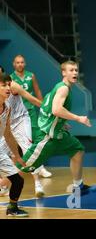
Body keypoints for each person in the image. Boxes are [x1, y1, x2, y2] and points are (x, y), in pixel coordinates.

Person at [15, 61, 96, 196]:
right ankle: (3, 186)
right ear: (63, 73)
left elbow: (45, 107)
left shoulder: (60, 87)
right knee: (23, 167)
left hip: (58, 133)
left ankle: (78, 187)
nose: (75, 73)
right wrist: (78, 118)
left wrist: (61, 122)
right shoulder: (63, 88)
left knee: (78, 150)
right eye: (71, 70)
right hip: (47, 137)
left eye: (76, 70)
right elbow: (56, 109)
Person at [0, 66, 45, 197]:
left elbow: (31, 98)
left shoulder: (13, 86)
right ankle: (4, 185)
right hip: (6, 123)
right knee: (4, 153)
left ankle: (37, 183)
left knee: (27, 149)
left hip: (20, 120)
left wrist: (49, 111)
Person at [10, 55, 52, 178]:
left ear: (25, 63)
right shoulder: (11, 79)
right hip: (16, 115)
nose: (20, 64)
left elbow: (37, 91)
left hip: (30, 111)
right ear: (14, 64)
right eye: (17, 62)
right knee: (17, 142)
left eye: (22, 62)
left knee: (35, 138)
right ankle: (15, 171)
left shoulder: (31, 75)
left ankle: (40, 167)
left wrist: (44, 107)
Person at [0, 73, 29, 217]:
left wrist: (17, 156)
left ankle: (12, 208)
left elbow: (7, 134)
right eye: (3, 85)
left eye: (9, 84)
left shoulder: (7, 107)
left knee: (18, 180)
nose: (7, 87)